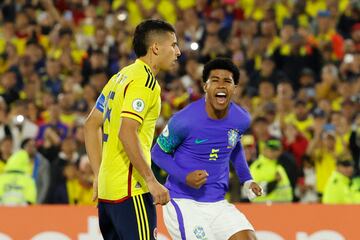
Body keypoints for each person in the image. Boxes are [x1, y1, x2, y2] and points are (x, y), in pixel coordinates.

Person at [84, 19, 181, 240]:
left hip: (108, 192)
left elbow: (90, 125)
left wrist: (99, 174)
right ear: (156, 47)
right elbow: (127, 131)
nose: (178, 52)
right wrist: (150, 180)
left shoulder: (119, 77)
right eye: (173, 44)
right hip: (131, 190)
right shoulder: (145, 82)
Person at [151, 58, 262, 240]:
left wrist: (247, 179)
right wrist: (185, 176)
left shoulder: (241, 119)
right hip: (183, 201)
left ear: (234, 88)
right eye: (215, 80)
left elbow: (233, 145)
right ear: (205, 87)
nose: (221, 85)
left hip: (217, 203)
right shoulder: (184, 120)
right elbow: (157, 153)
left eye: (227, 81)